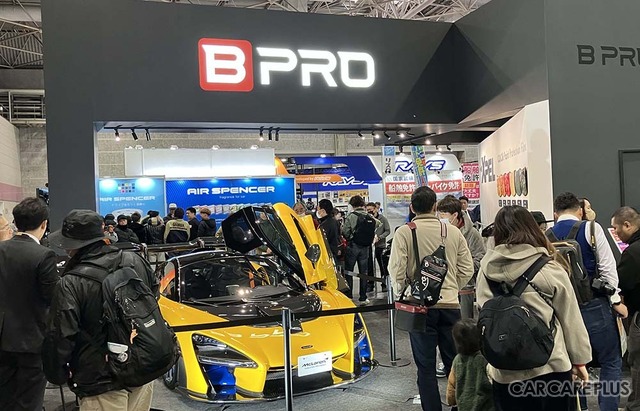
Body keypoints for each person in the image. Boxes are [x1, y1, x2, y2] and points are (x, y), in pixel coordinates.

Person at [476, 205, 591, 411]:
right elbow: (571, 319)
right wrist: (580, 360)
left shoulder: (486, 271)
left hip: (505, 371)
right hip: (550, 367)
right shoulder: (549, 268)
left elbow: (485, 315)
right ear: (532, 228)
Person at [43, 209, 157, 411]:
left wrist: (56, 373)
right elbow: (153, 295)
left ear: (75, 245)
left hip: (101, 378)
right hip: (143, 364)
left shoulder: (72, 281)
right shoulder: (135, 260)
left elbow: (61, 332)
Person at [388, 186, 474, 411]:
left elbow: (396, 269)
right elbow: (467, 268)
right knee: (455, 363)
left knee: (425, 367)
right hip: (450, 306)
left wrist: (403, 290)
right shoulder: (452, 232)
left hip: (419, 308)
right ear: (435, 206)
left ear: (411, 207)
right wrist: (452, 287)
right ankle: (461, 406)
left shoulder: (404, 232)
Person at [551, 192, 623, 411]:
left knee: (574, 364)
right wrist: (614, 300)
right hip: (594, 305)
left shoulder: (546, 235)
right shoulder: (591, 228)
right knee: (611, 361)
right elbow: (608, 271)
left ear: (555, 214)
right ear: (580, 211)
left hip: (563, 310)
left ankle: (580, 407)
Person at [0, 198, 59, 411]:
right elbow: (53, 298)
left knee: (4, 399)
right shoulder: (43, 255)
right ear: (44, 224)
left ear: (15, 222)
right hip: (32, 340)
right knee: (30, 401)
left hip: (2, 339)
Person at [611, 207, 640, 411]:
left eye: (616, 228)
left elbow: (621, 283)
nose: (615, 232)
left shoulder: (633, 252)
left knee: (637, 362)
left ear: (627, 225)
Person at [437, 197, 486, 319]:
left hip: (465, 287)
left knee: (464, 323)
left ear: (455, 215)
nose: (440, 217)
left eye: (444, 214)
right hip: (443, 287)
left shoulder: (472, 233)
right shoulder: (439, 231)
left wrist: (460, 267)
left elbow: (480, 258)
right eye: (439, 214)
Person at [445, 319, 494, 411]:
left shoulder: (457, 361)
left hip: (464, 406)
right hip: (486, 406)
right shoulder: (485, 359)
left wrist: (451, 401)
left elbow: (451, 388)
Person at [342, 195, 380, 305]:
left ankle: (349, 296)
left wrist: (350, 237)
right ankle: (363, 297)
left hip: (353, 246)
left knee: (349, 271)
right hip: (365, 247)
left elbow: (345, 231)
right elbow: (378, 223)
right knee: (363, 272)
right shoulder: (369, 216)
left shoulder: (351, 216)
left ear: (352, 205)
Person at [366, 202, 391, 293]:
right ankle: (370, 284)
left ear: (375, 209)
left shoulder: (382, 219)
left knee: (382, 266)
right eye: (367, 210)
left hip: (380, 246)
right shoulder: (366, 219)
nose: (370, 211)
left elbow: (387, 230)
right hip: (369, 246)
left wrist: (380, 237)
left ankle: (384, 284)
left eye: (371, 209)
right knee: (369, 266)